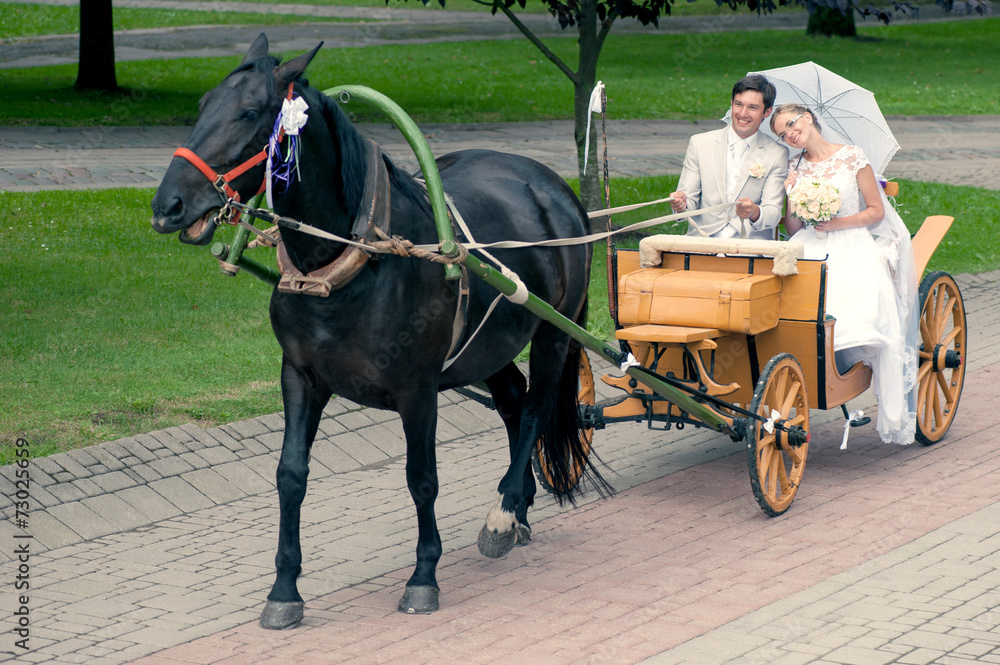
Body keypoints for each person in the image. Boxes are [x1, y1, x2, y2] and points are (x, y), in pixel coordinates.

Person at [771, 102, 919, 445]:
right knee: (794, 285)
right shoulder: (795, 166)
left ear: (808, 118)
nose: (790, 134)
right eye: (782, 133)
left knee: (843, 285)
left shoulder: (852, 156)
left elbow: (875, 212)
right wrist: (790, 192)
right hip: (811, 240)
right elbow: (793, 227)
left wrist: (837, 222)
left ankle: (847, 357)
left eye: (792, 124)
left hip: (851, 237)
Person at [669, 74, 789, 240]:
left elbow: (773, 213)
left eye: (753, 108)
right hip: (702, 243)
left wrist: (755, 212)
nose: (743, 113)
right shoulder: (699, 143)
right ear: (731, 103)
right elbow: (688, 199)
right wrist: (681, 205)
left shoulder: (777, 153)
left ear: (767, 111)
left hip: (750, 247)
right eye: (738, 104)